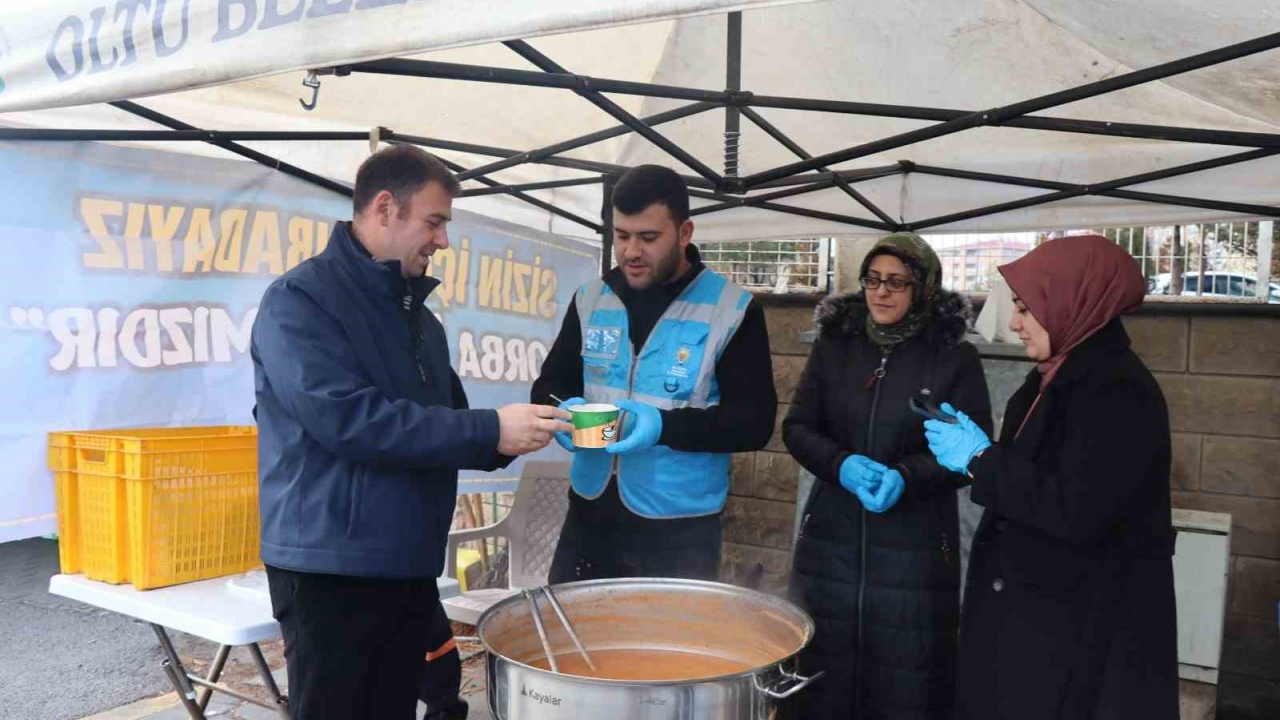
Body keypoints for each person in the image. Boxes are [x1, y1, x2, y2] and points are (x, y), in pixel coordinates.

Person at [251, 145, 573, 720]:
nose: (442, 240)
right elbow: (348, 421)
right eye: (434, 221)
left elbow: (450, 424)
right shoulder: (299, 301)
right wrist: (490, 429)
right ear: (384, 208)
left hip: (406, 561)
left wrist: (528, 431)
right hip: (331, 566)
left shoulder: (421, 321)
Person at [924, 235, 1178, 720]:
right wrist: (980, 454)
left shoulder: (1118, 391)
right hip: (1042, 620)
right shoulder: (1053, 376)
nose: (1014, 324)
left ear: (1071, 301)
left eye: (1025, 308)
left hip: (1082, 633)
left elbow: (1078, 511)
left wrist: (981, 460)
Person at [531, 164, 777, 584]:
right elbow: (549, 385)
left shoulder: (732, 309)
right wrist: (563, 411)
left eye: (648, 238)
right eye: (621, 235)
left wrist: (663, 427)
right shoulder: (591, 298)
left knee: (664, 630)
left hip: (679, 529)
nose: (631, 252)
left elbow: (754, 424)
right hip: (589, 512)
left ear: (684, 233)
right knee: (567, 625)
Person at [783, 232, 993, 719]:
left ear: (923, 288)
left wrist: (906, 476)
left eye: (897, 282)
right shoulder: (835, 345)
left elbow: (972, 451)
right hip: (831, 543)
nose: (881, 292)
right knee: (824, 676)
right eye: (873, 279)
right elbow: (797, 427)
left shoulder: (953, 357)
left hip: (916, 550)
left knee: (905, 681)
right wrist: (840, 465)